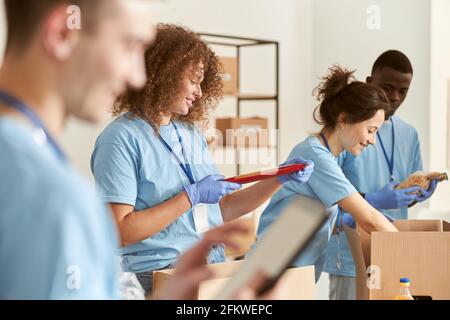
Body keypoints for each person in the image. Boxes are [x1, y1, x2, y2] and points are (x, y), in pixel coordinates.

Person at [0, 0, 284, 300]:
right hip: (151, 271)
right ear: (62, 32)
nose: (138, 76)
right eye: (128, 45)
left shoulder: (41, 167)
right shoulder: (42, 185)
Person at [90, 23, 314, 296]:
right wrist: (190, 196)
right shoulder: (121, 138)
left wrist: (278, 178)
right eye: (194, 80)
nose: (199, 92)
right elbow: (120, 230)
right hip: (160, 275)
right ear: (164, 74)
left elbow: (224, 208)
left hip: (209, 267)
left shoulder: (189, 133)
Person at [256, 65, 399, 283]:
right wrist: (411, 251)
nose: (372, 140)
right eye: (370, 130)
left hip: (291, 272)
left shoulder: (325, 155)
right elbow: (370, 219)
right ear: (343, 119)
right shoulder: (314, 156)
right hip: (275, 271)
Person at [323, 50, 438, 300]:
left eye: (403, 91)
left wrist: (418, 192)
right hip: (351, 256)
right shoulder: (347, 135)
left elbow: (405, 192)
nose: (395, 97)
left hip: (395, 253)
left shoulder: (410, 134)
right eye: (388, 88)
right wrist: (373, 200)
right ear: (369, 82)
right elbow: (327, 202)